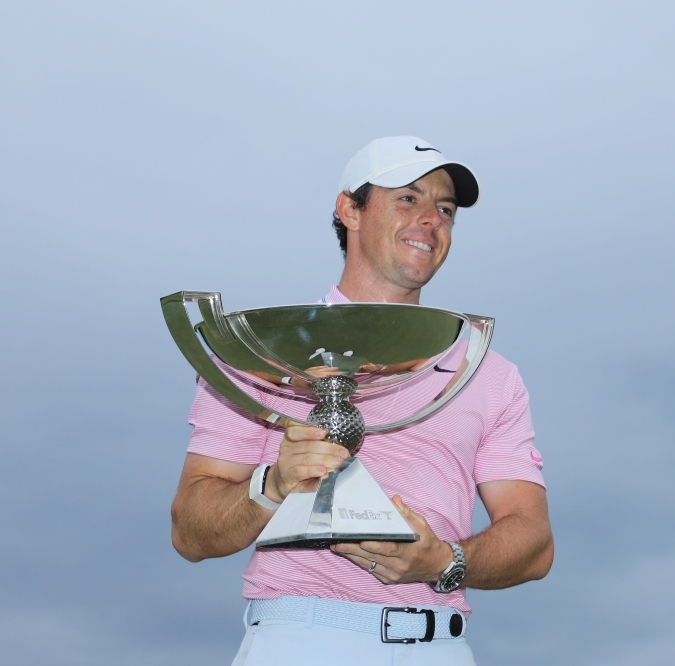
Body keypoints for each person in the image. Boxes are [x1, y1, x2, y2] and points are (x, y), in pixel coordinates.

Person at [170, 136, 554, 665]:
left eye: (445, 209)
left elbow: (534, 542)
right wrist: (272, 485)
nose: (430, 219)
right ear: (349, 208)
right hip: (300, 637)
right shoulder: (262, 354)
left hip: (438, 646)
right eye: (408, 198)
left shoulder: (487, 372)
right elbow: (191, 532)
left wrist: (446, 560)